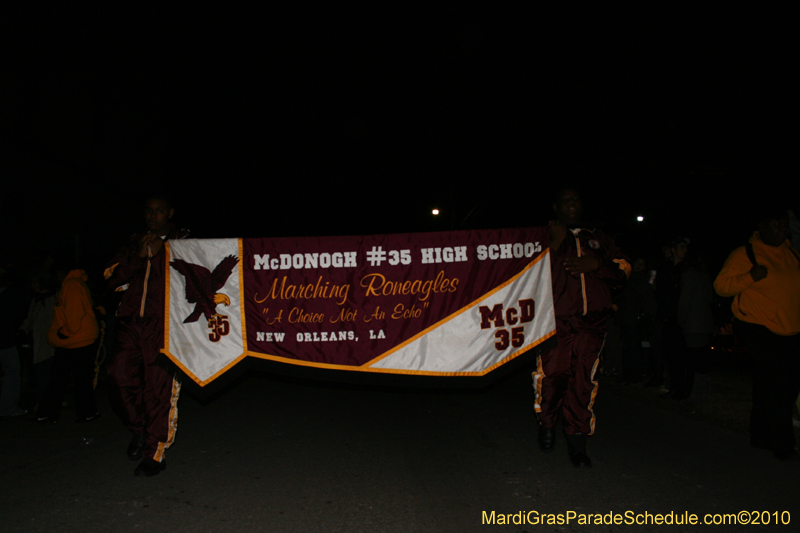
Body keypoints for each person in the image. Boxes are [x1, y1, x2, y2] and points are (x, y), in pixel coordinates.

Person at [533, 187, 631, 467]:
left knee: (583, 381)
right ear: (555, 206)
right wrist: (554, 244)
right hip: (555, 323)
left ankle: (577, 440)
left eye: (576, 199)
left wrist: (597, 264)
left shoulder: (599, 238)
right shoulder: (544, 236)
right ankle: (547, 422)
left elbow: (623, 271)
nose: (571, 203)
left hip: (593, 324)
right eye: (565, 200)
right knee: (553, 376)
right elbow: (529, 275)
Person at [105, 195, 189, 476]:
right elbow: (110, 279)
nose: (153, 216)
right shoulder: (133, 242)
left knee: (159, 388)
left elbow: (197, 280)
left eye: (159, 211)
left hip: (165, 326)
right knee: (118, 376)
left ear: (170, 212)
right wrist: (138, 257)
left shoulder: (184, 243)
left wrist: (164, 252)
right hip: (129, 323)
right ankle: (140, 429)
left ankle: (155, 453)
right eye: (149, 211)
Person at [714, 207, 800, 461]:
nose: (782, 230)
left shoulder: (791, 253)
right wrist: (751, 276)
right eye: (776, 225)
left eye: (784, 226)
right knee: (778, 382)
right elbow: (721, 286)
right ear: (762, 227)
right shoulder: (746, 253)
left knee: (776, 382)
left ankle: (760, 435)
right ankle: (782, 442)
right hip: (758, 325)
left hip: (790, 327)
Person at [38, 266, 101, 423]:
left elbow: (75, 312)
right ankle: (87, 413)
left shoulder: (72, 284)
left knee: (62, 379)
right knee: (78, 379)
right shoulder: (74, 283)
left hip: (75, 340)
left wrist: (64, 332)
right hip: (77, 340)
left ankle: (49, 414)